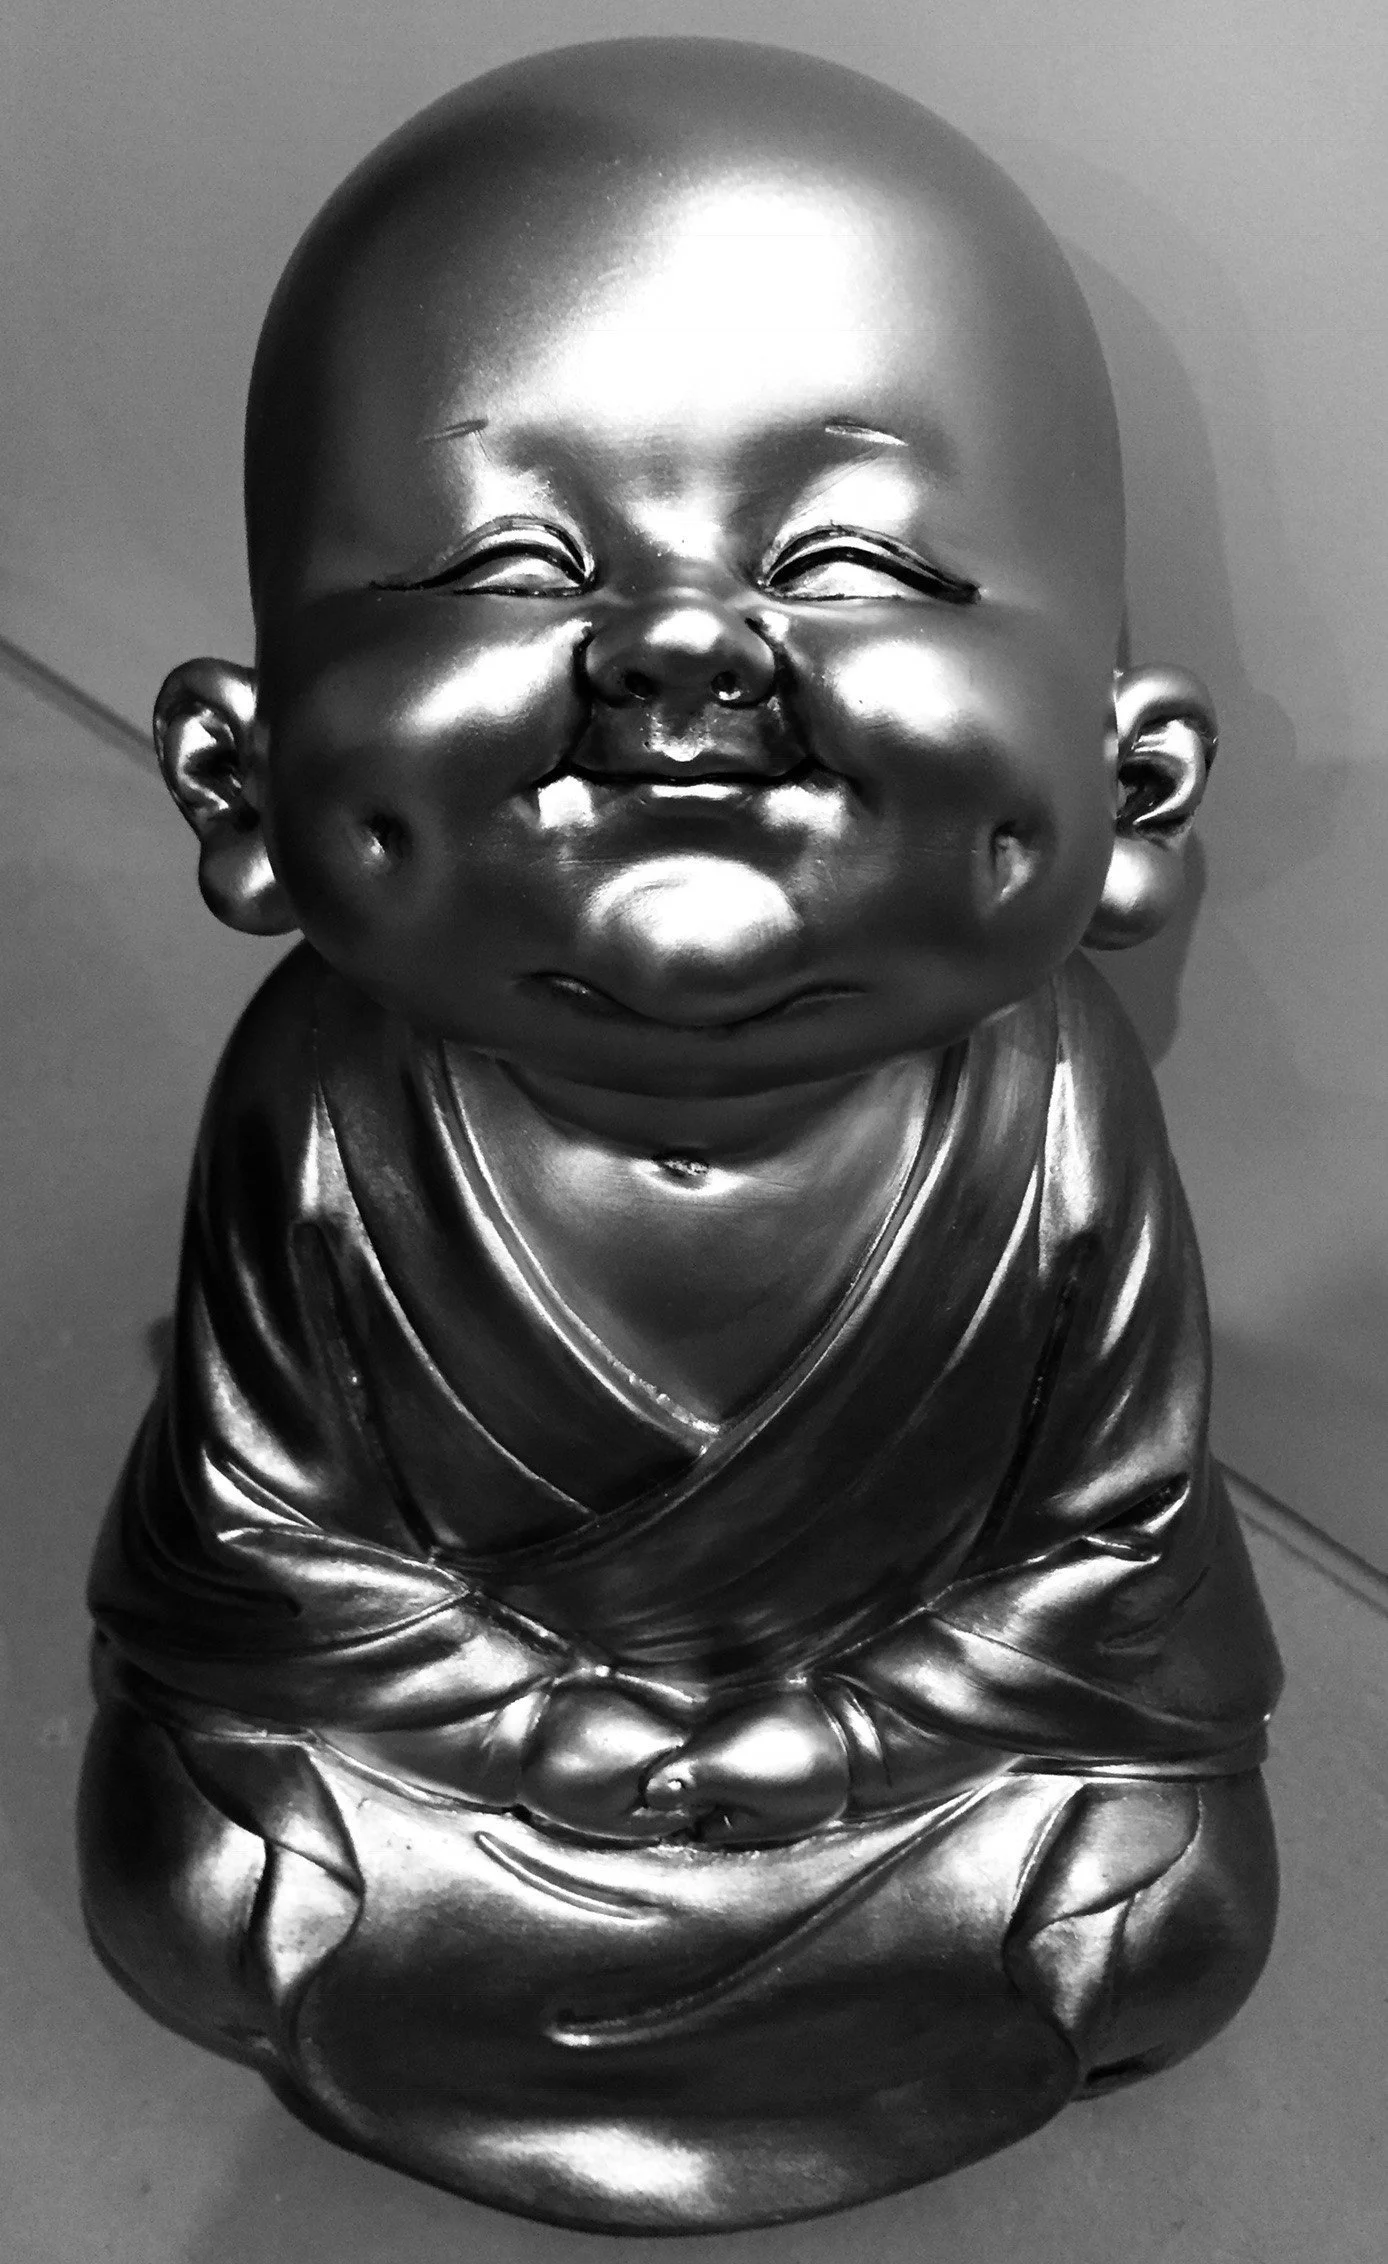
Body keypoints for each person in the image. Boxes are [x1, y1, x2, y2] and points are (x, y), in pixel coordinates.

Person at [80, 39, 1280, 2230]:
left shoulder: (1050, 1100)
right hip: (478, 1788)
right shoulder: (322, 1094)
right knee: (210, 1873)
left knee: (1157, 1909)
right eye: (507, 559)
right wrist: (534, 1726)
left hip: (897, 1784)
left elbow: (1110, 1553)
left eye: (852, 560)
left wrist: (840, 1743)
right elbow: (261, 1544)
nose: (679, 664)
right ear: (237, 791)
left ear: (1133, 792)